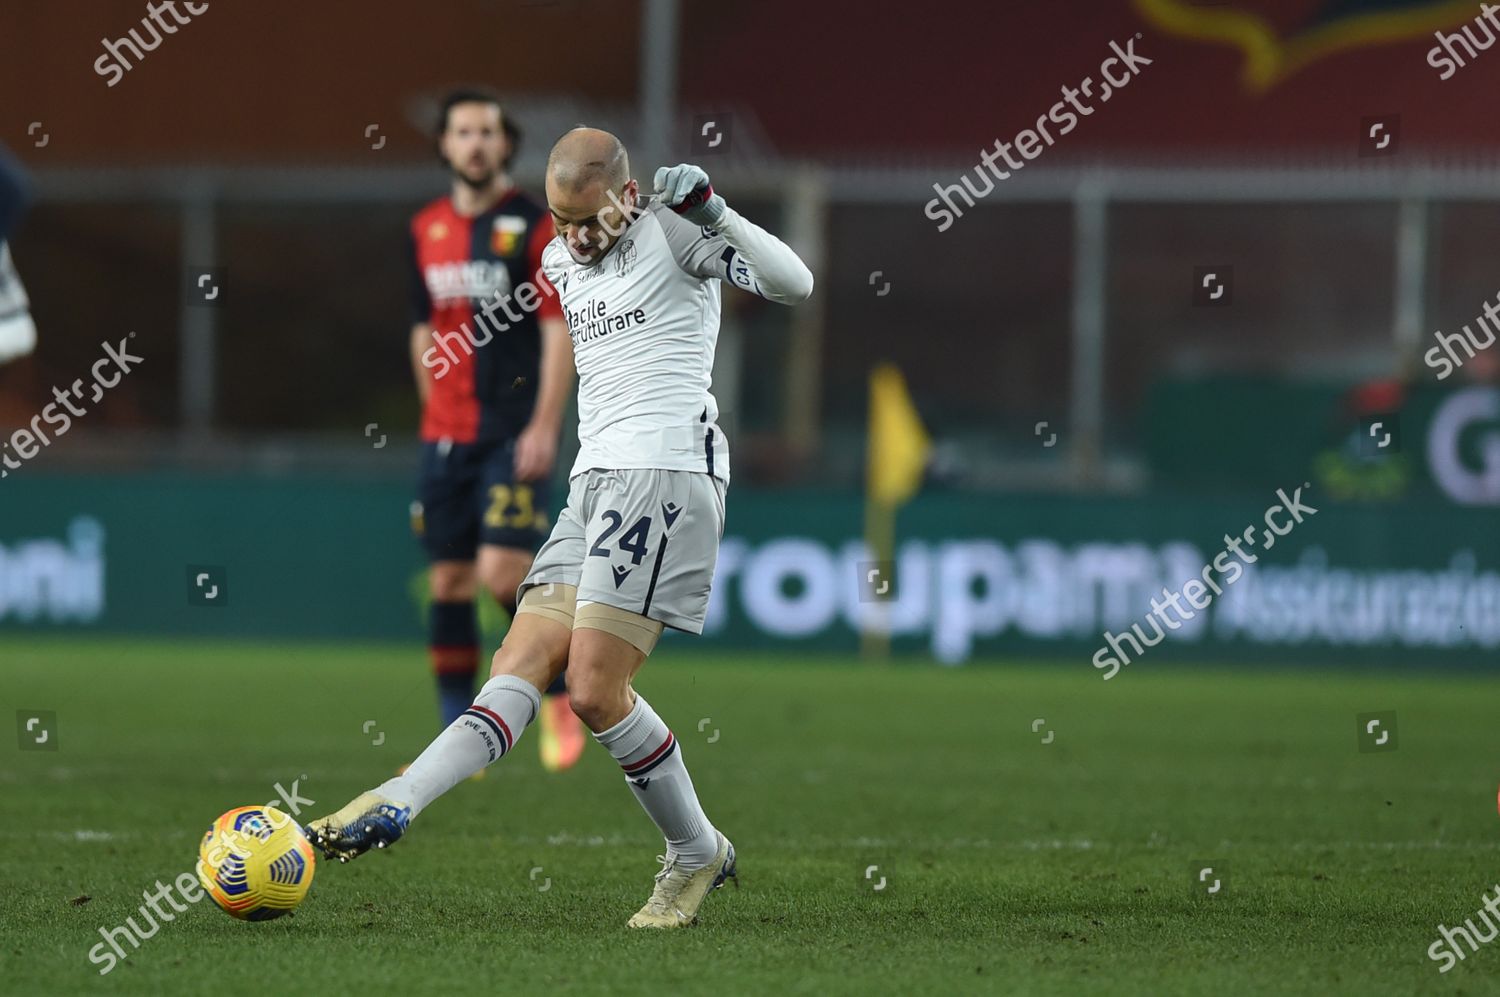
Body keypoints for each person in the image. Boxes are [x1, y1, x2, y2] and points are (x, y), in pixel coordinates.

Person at [311, 127, 814, 929]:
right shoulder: (552, 259)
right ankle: (396, 799)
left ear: (627, 194)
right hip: (592, 484)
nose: (573, 237)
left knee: (591, 689)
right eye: (558, 218)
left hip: (666, 475)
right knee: (518, 659)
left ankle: (696, 854)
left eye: (588, 219)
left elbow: (795, 282)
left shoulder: (677, 232)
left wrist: (716, 211)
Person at [407, 90, 583, 771]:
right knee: (449, 582)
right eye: (462, 132)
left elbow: (554, 329)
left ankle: (564, 691)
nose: (475, 143)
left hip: (511, 430)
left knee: (503, 574)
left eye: (487, 132)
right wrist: (432, 406)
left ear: (506, 145)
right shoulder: (424, 228)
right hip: (444, 436)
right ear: (445, 145)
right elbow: (422, 326)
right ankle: (457, 737)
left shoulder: (534, 227)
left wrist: (544, 425)